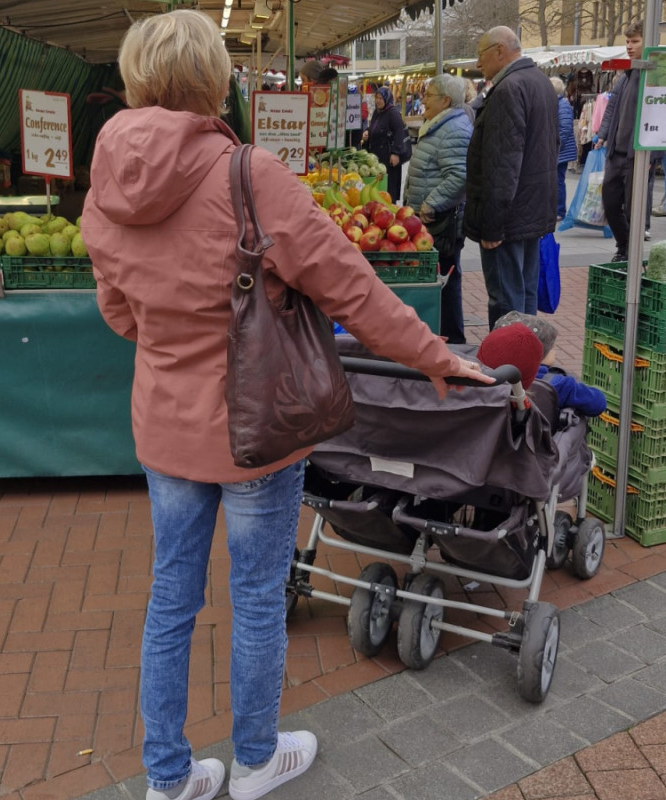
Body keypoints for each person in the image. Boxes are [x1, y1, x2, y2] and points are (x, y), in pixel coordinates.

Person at [80, 10, 492, 800]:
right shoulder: (248, 175)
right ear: (213, 81)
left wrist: (172, 339)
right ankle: (258, 759)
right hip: (258, 426)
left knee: (171, 595)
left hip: (165, 424)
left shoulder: (105, 181)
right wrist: (435, 357)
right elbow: (352, 288)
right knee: (258, 595)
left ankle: (168, 777)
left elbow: (118, 312)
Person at [464, 25, 559, 329]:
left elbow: (502, 164)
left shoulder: (508, 89)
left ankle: (510, 369)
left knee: (506, 301)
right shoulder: (540, 82)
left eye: (481, 55)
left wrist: (491, 226)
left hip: (508, 217)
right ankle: (525, 366)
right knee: (525, 297)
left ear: (500, 51)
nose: (479, 64)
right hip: (532, 212)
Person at [404, 73, 473, 344]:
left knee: (446, 280)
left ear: (445, 100)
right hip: (430, 222)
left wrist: (431, 202)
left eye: (429, 95)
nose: (423, 100)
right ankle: (444, 338)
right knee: (442, 279)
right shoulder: (439, 125)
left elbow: (459, 176)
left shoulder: (453, 130)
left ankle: (453, 342)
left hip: (442, 222)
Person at [596, 20, 662, 259]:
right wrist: (603, 135)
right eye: (627, 41)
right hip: (617, 152)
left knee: (634, 209)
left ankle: (631, 255)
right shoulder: (625, 75)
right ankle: (624, 246)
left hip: (638, 154)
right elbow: (612, 108)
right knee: (610, 203)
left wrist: (652, 155)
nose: (630, 46)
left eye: (635, 41)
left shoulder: (654, 76)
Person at [491, 312, 607, 415]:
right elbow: (598, 403)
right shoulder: (558, 384)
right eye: (551, 348)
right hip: (539, 437)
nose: (554, 351)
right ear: (539, 354)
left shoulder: (487, 374)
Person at [361, 86, 410, 203]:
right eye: (376, 98)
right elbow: (374, 126)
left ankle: (390, 209)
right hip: (378, 157)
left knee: (389, 188)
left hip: (389, 158)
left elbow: (399, 133)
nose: (378, 101)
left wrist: (396, 153)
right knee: (379, 186)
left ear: (387, 99)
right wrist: (367, 131)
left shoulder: (393, 114)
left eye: (381, 98)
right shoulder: (377, 113)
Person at [550, 77, 578, 220]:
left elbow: (565, 129)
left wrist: (555, 147)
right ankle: (555, 210)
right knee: (555, 180)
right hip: (558, 150)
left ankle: (559, 211)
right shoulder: (557, 104)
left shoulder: (562, 105)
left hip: (560, 151)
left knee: (558, 181)